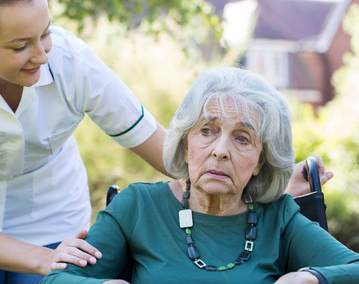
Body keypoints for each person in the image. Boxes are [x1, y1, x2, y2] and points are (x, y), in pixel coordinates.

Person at [0, 0, 332, 282]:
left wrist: (268, 182)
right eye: (20, 46)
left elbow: (173, 153)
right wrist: (43, 261)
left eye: (46, 33)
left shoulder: (72, 63)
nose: (42, 53)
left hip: (55, 215)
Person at [41, 67, 359, 284]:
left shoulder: (279, 219)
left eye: (242, 138)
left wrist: (312, 277)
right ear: (185, 142)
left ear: (261, 160)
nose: (221, 150)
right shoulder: (138, 207)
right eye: (207, 130)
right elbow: (56, 278)